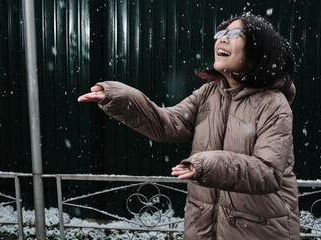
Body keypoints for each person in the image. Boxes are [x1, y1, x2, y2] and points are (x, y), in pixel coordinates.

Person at [78, 12, 300, 240]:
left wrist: (208, 164)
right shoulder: (209, 94)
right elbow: (168, 124)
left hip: (258, 231)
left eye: (234, 34)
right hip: (203, 227)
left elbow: (267, 172)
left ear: (259, 51)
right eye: (222, 33)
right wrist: (121, 97)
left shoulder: (273, 104)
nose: (222, 39)